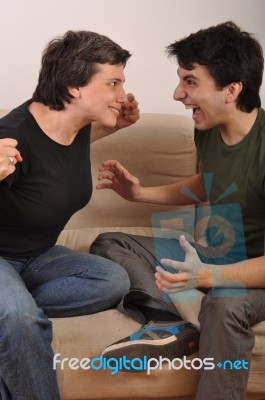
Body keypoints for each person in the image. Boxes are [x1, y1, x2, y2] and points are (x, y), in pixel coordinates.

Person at [90, 21, 265, 399]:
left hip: (256, 269)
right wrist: (139, 194)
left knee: (224, 304)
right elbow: (210, 182)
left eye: (190, 82)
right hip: (217, 251)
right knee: (110, 242)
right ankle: (171, 325)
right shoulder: (207, 128)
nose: (177, 94)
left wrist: (208, 277)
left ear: (232, 89)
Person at [0, 30, 139, 399]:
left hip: (36, 256)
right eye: (113, 83)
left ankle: (11, 306)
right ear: (74, 86)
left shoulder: (74, 128)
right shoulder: (13, 140)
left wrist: (119, 121)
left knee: (112, 280)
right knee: (16, 318)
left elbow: (58, 156)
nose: (122, 95)